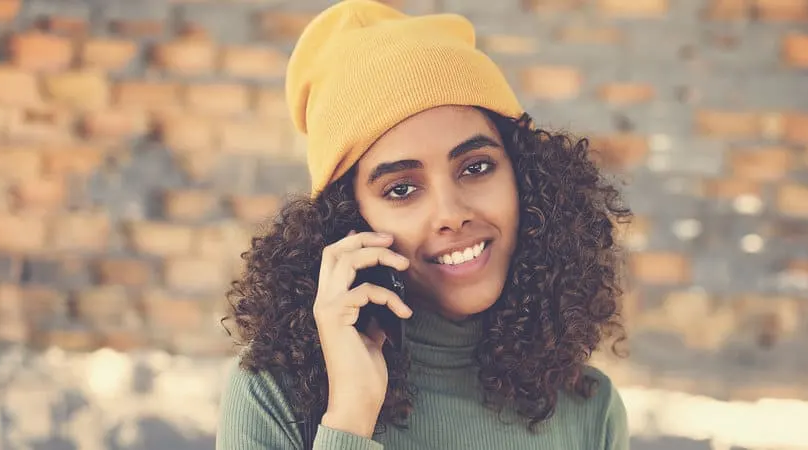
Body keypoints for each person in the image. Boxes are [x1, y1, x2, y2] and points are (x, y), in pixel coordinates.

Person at [215, 1, 633, 449]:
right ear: (349, 223)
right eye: (401, 189)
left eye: (475, 167)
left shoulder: (589, 410)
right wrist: (351, 415)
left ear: (527, 178)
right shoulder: (273, 399)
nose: (451, 213)